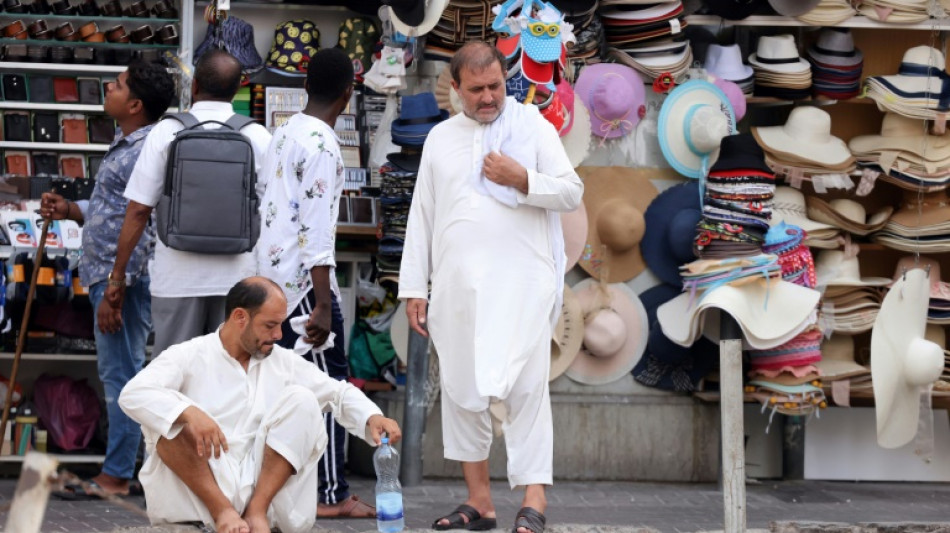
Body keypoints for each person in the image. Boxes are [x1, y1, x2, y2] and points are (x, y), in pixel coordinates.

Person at [399, 42, 583, 533]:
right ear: (455, 89)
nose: (487, 98)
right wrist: (415, 287)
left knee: (526, 391)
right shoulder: (440, 138)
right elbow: (423, 215)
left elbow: (571, 192)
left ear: (506, 81)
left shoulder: (533, 128)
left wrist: (523, 178)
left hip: (522, 286)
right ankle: (479, 502)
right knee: (462, 391)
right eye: (476, 89)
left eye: (495, 87)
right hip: (458, 289)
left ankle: (534, 500)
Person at [119, 277, 402, 533]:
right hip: (204, 493)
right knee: (165, 416)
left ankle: (255, 512)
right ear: (240, 317)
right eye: (270, 325)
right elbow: (133, 393)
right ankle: (223, 513)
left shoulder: (282, 361)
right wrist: (189, 413)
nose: (279, 334)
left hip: (267, 495)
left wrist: (372, 417)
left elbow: (338, 393)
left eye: (281, 324)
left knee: (302, 400)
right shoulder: (189, 355)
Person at [40, 60, 175, 498]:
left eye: (116, 85)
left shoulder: (142, 148)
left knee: (122, 376)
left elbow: (140, 223)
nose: (108, 87)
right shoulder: (126, 141)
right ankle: (125, 466)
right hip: (110, 275)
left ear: (135, 104)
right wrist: (71, 210)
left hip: (123, 280)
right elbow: (113, 211)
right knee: (120, 371)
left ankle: (117, 474)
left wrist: (117, 285)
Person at [255, 48, 374, 519]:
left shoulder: (282, 133)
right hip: (305, 289)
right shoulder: (325, 146)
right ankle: (330, 495)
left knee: (281, 392)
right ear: (348, 93)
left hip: (273, 280)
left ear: (306, 85)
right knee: (328, 390)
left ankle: (287, 490)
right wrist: (325, 306)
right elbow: (317, 232)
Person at [102, 49, 272, 357]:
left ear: (194, 87)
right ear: (237, 90)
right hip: (237, 281)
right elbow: (272, 213)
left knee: (175, 379)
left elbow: (139, 210)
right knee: (230, 379)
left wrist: (117, 277)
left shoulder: (167, 131)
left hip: (176, 279)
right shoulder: (258, 136)